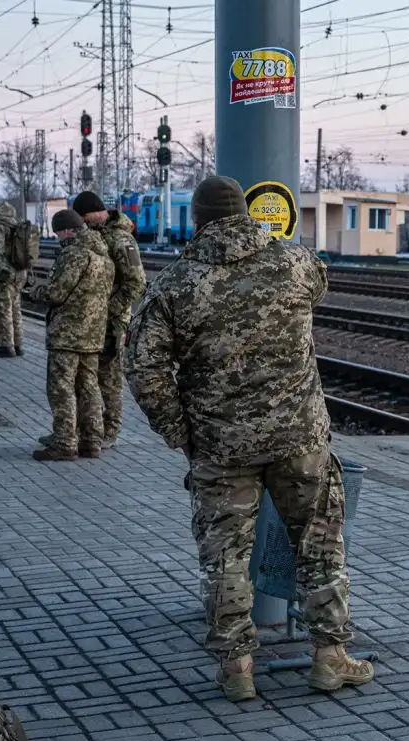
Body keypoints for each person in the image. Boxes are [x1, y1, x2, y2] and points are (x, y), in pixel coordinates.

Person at [122, 175, 373, 702]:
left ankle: (236, 667)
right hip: (300, 437)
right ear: (248, 212)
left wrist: (179, 431)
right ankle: (330, 657)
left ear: (196, 219)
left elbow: (143, 368)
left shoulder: (175, 284)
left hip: (219, 445)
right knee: (321, 546)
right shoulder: (295, 262)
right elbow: (319, 290)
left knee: (224, 556)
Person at [29, 209, 113, 461]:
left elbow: (57, 293)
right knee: (89, 387)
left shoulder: (74, 254)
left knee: (62, 388)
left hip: (67, 334)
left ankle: (65, 442)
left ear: (68, 230)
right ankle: (91, 441)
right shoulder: (103, 255)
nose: (57, 238)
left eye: (57, 233)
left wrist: (37, 292)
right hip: (93, 333)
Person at [72, 191, 146, 448]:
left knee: (110, 378)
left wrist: (110, 310)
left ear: (95, 212)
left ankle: (110, 431)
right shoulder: (98, 235)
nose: (83, 222)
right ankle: (89, 429)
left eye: (84, 217)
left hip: (111, 322)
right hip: (92, 321)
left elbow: (136, 282)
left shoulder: (121, 239)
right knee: (87, 376)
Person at [0, 194, 23, 358]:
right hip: (19, 271)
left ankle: (6, 346)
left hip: (5, 273)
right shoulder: (12, 219)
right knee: (15, 309)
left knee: (3, 309)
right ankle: (18, 344)